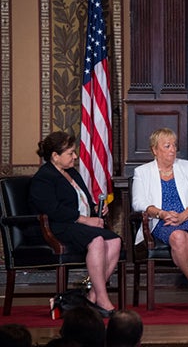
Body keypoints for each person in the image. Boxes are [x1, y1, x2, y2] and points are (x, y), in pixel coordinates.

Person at [29, 131, 121, 317]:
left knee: (115, 241)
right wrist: (86, 219)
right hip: (58, 226)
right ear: (55, 156)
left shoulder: (72, 173)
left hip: (79, 226)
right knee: (96, 240)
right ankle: (103, 300)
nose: (75, 156)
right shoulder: (44, 177)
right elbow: (54, 209)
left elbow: (83, 201)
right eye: (70, 153)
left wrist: (96, 209)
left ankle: (91, 298)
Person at [131, 127, 188, 309]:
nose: (172, 150)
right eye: (167, 146)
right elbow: (138, 203)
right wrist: (162, 213)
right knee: (179, 236)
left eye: (174, 145)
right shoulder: (142, 172)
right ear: (155, 150)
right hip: (163, 220)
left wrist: (183, 216)